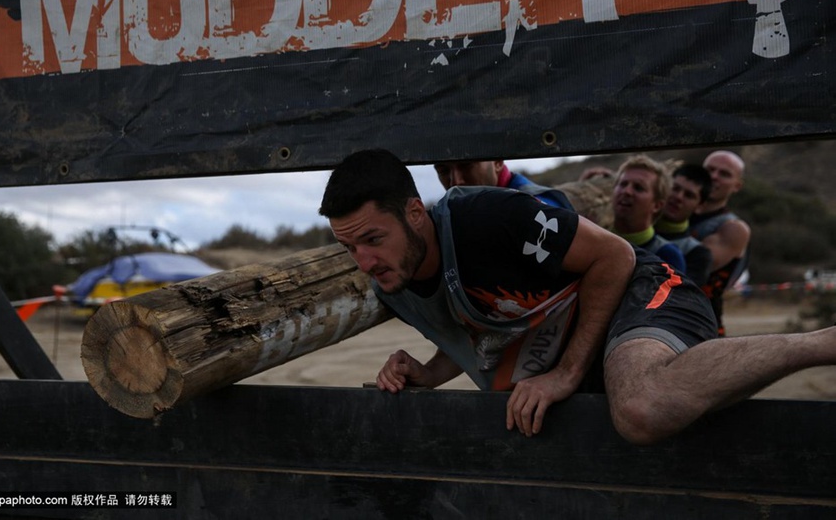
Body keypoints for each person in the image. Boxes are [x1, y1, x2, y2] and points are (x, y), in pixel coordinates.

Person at [319, 149, 836, 445]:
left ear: (414, 213)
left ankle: (823, 342)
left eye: (372, 240)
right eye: (349, 247)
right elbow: (476, 328)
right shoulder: (393, 279)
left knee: (640, 408)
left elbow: (614, 256)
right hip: (576, 338)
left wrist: (565, 375)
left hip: (640, 287)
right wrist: (427, 373)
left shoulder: (486, 215)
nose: (364, 262)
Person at [689, 151, 751, 336]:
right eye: (709, 169)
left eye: (724, 174)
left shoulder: (733, 228)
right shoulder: (672, 214)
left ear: (737, 185)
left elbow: (686, 268)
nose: (713, 176)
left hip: (702, 326)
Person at [611, 155, 686, 273]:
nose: (627, 191)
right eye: (623, 184)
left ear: (657, 205)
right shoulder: (593, 238)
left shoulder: (667, 256)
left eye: (638, 188)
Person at [655, 164, 714, 288]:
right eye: (675, 188)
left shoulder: (697, 254)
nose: (678, 197)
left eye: (689, 195)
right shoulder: (632, 227)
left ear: (700, 206)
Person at [434, 159, 573, 209]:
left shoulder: (532, 207)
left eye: (466, 166)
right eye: (443, 171)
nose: (455, 182)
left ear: (497, 162)